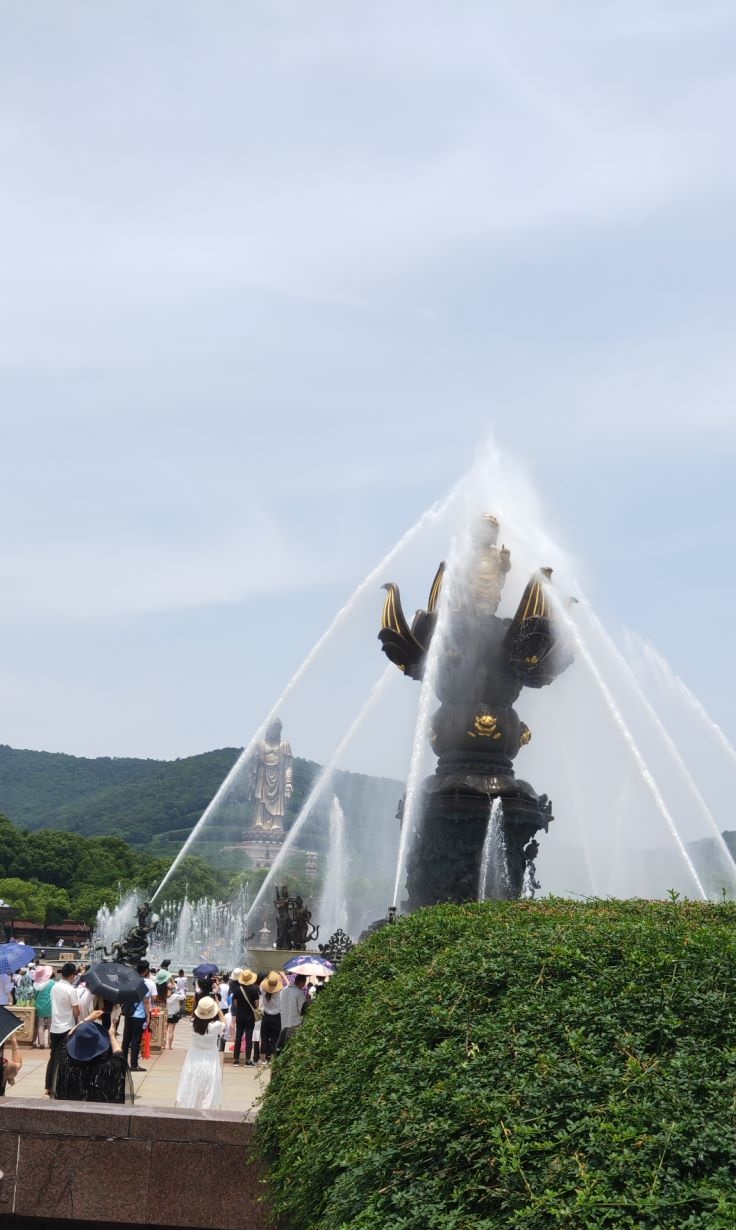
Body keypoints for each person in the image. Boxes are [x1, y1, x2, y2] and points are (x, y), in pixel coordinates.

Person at [53, 1016, 133, 1104]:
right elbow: (120, 1057)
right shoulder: (108, 1067)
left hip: (71, 1111)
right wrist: (112, 1037)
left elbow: (66, 1039)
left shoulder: (66, 1060)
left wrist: (82, 1022)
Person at [175, 995, 224, 1110]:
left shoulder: (193, 1025)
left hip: (194, 1058)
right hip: (210, 1058)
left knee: (192, 1080)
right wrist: (217, 1006)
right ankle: (206, 1106)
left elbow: (193, 1016)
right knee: (209, 1083)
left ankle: (191, 1104)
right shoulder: (215, 1026)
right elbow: (223, 1020)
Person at [45, 962, 80, 1097]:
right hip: (67, 1027)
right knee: (66, 1058)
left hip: (54, 1027)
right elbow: (76, 1011)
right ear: (72, 975)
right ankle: (60, 1085)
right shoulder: (71, 990)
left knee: (53, 1057)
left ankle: (49, 1085)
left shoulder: (55, 986)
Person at [121, 961, 151, 1073]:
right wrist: (148, 1016)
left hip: (129, 1014)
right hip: (139, 1016)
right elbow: (146, 1002)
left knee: (126, 1040)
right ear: (146, 970)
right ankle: (134, 1064)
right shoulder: (143, 984)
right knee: (135, 1040)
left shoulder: (130, 982)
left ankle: (122, 1063)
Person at [230, 969, 260, 1066]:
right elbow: (257, 1004)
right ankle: (247, 1060)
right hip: (250, 1017)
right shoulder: (255, 989)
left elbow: (235, 1003)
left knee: (238, 1037)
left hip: (240, 1016)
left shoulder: (238, 989)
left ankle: (236, 1060)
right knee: (248, 1037)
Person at [276, 973, 308, 1052]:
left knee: (284, 1049)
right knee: (292, 1050)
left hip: (283, 1025)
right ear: (302, 982)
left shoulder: (283, 990)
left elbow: (279, 1006)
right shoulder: (299, 993)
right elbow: (303, 1011)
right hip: (294, 1026)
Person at [258, 971, 283, 1063]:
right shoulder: (280, 992)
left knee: (264, 1037)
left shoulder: (263, 990)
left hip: (266, 1016)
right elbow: (288, 986)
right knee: (274, 1038)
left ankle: (263, 1059)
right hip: (276, 1017)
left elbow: (261, 984)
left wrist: (268, 976)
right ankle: (272, 1059)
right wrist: (283, 976)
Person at [32, 965, 54, 1048]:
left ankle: (41, 1043)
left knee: (40, 1025)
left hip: (39, 1006)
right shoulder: (51, 983)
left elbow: (34, 995)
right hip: (49, 1006)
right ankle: (50, 1042)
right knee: (50, 1025)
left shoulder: (35, 984)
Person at [165, 980, 186, 1050]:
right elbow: (183, 997)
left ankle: (163, 1044)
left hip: (166, 1014)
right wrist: (181, 989)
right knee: (171, 1031)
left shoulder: (164, 996)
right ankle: (169, 1046)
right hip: (173, 1014)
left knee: (165, 1030)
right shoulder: (175, 996)